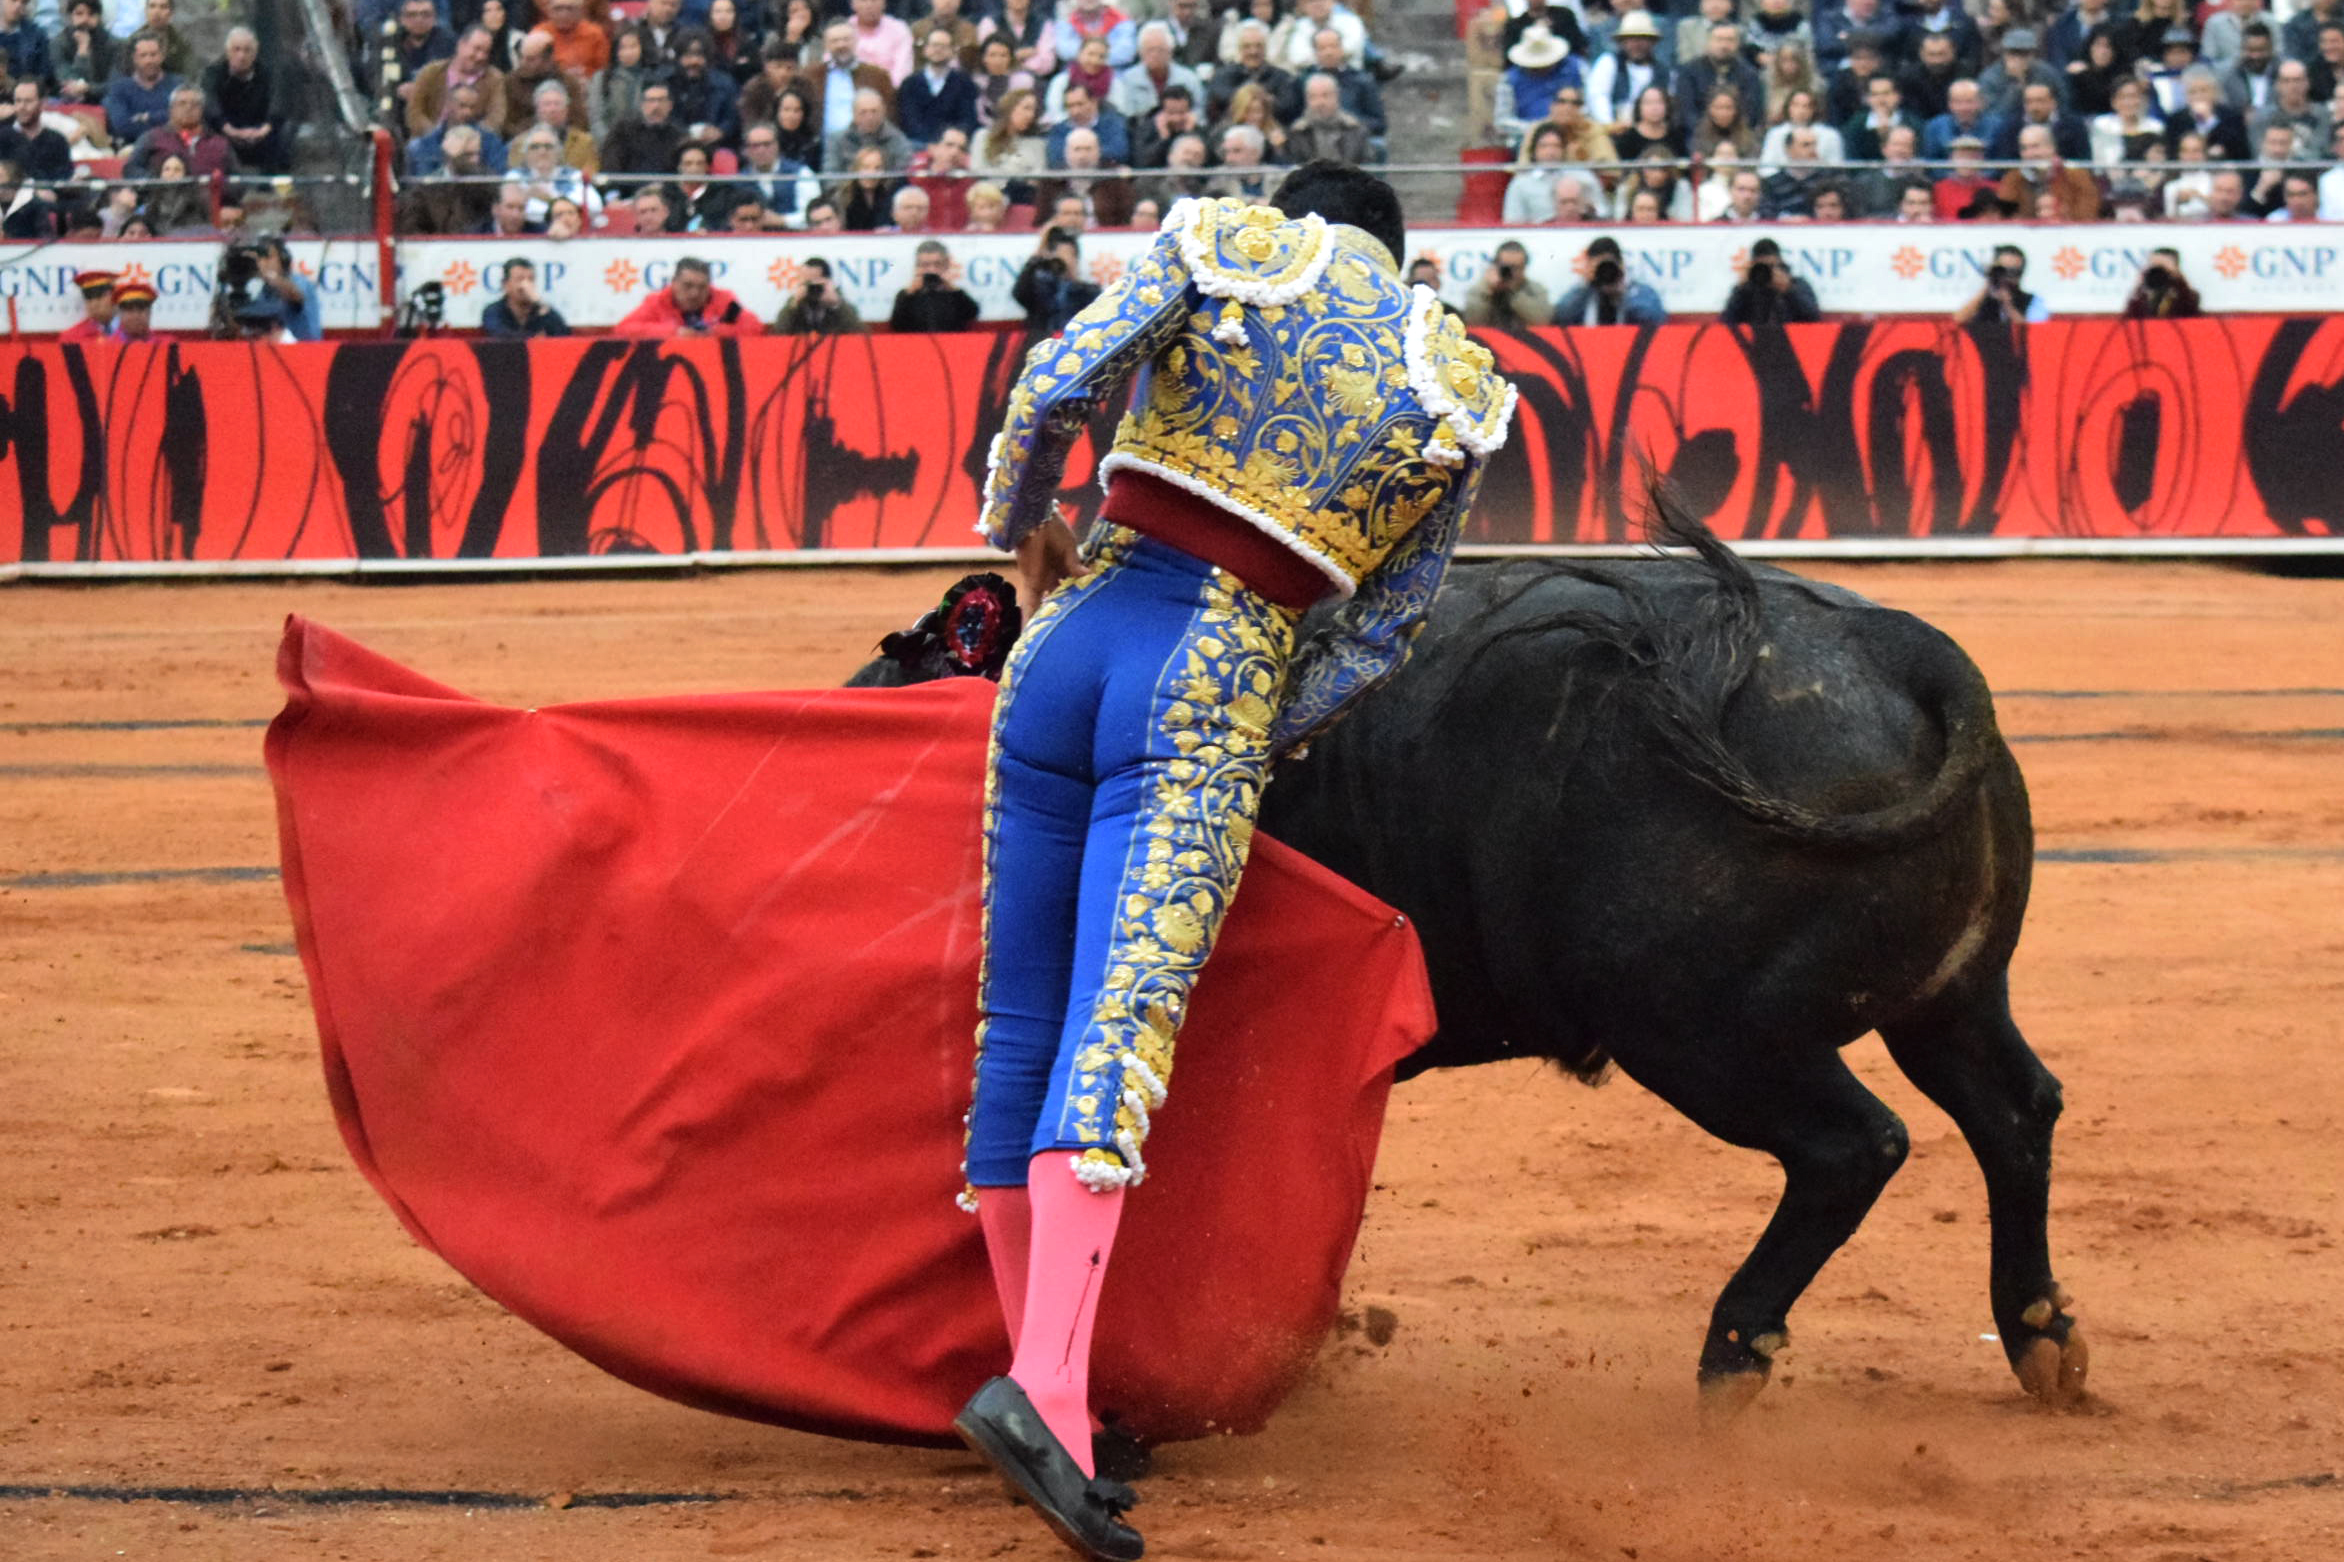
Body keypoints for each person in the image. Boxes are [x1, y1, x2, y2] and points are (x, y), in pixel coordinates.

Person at [955, 159, 1511, 1562]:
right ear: (1399, 250)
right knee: (1117, 1024)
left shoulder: (1223, 244)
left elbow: (1056, 386)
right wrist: (1266, 724)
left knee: (1017, 1018)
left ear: (1304, 215)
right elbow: (1382, 635)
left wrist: (1023, 533)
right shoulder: (1454, 380)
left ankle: (1054, 1407)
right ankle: (1048, 1391)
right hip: (1210, 676)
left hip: (1065, 644)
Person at [615, 256, 763, 337]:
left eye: (702, 287)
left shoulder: (724, 300)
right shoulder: (657, 301)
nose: (694, 293)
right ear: (674, 283)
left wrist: (714, 333)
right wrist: (674, 333)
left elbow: (754, 327)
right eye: (688, 286)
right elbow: (624, 329)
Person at [1551, 235, 1665, 325]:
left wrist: (1623, 296)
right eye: (1600, 268)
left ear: (1621, 264)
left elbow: (1654, 320)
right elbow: (1562, 316)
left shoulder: (1640, 291)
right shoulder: (1583, 292)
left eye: (1609, 267)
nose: (1606, 272)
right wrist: (1585, 286)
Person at [1011, 224, 1100, 334]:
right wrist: (1037, 256)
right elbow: (1019, 293)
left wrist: (1072, 279)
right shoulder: (1040, 290)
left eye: (1068, 255)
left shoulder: (1088, 292)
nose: (1064, 260)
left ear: (1076, 259)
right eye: (1059, 255)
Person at [1720, 236, 1819, 326]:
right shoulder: (1745, 288)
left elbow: (1813, 317)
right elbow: (1727, 321)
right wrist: (1741, 289)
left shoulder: (1797, 284)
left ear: (1780, 262)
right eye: (1762, 267)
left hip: (1789, 338)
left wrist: (1789, 291)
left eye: (1771, 266)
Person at [242, 235, 324, 342]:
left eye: (268, 257)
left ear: (283, 259)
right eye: (260, 259)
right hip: (277, 351)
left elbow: (295, 294)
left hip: (305, 350)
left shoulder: (299, 281)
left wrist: (269, 275)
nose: (262, 263)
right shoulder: (265, 290)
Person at [888, 237, 979, 331]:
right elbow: (896, 325)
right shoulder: (907, 295)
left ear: (946, 265)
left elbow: (972, 314)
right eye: (925, 265)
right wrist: (909, 294)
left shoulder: (954, 294)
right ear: (917, 266)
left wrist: (953, 289)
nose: (932, 270)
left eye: (937, 264)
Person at [104, 29, 177, 145]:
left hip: (173, 146)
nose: (149, 60)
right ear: (134, 58)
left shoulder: (177, 85)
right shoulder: (119, 89)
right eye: (143, 55)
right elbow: (122, 126)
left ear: (162, 56)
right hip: (132, 148)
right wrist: (164, 118)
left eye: (153, 54)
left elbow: (183, 119)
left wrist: (148, 117)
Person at [1955, 242, 2050, 327]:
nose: (2007, 276)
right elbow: (1959, 320)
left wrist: (2007, 304)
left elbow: (2032, 331)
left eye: (2013, 271)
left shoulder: (2033, 301)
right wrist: (1988, 286)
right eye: (2003, 270)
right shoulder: (1981, 299)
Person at [1464, 238, 1554, 327]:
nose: (1512, 272)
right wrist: (1488, 291)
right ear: (1496, 264)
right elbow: (1473, 322)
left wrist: (1514, 293)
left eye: (1517, 267)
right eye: (1507, 267)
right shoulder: (1481, 289)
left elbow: (1543, 321)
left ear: (1524, 267)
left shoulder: (1536, 290)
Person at [480, 256, 571, 336]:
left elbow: (563, 335)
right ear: (505, 284)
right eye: (520, 279)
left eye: (531, 279)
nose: (525, 285)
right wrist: (534, 338)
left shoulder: (542, 310)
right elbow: (501, 337)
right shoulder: (493, 311)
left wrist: (539, 302)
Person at [772, 255, 865, 332]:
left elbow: (859, 333)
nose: (810, 289)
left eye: (814, 284)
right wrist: (793, 305)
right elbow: (778, 334)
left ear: (827, 282)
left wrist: (837, 305)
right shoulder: (795, 303)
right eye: (805, 284)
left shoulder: (839, 303)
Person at [2123, 247, 2201, 319]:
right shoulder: (2143, 295)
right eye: (2154, 265)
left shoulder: (2185, 295)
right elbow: (2130, 318)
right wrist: (2139, 284)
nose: (2159, 270)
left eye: (2162, 266)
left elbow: (2191, 312)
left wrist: (2178, 278)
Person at [60, 269, 117, 342]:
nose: (94, 304)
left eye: (100, 296)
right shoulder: (71, 338)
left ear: (115, 295)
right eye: (88, 297)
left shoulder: (132, 331)